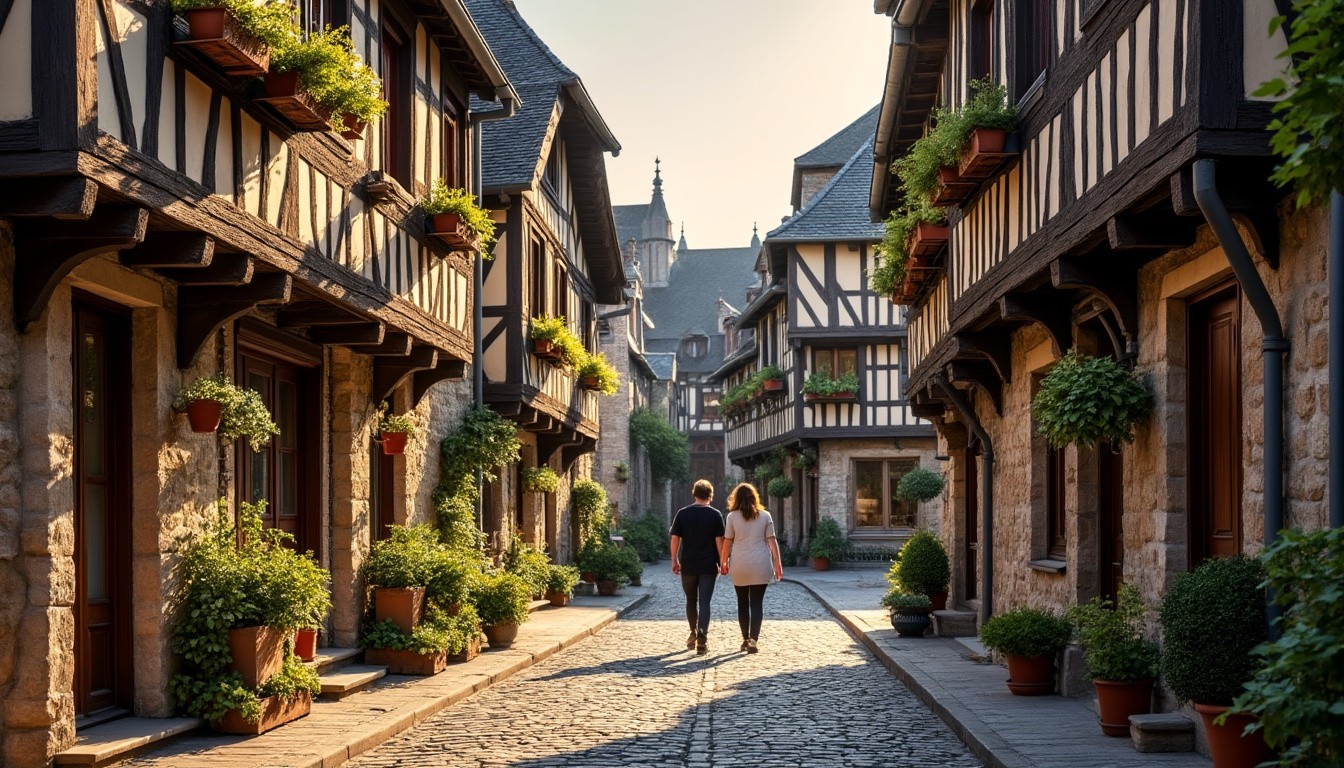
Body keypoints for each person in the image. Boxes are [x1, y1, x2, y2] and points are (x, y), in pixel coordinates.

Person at [719, 483, 784, 654]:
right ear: (755, 497)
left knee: (742, 603)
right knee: (756, 603)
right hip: (761, 564)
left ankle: (745, 639)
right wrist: (778, 563)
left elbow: (727, 541)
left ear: (736, 499)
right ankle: (753, 639)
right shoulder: (765, 516)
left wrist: (723, 562)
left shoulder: (732, 517)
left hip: (739, 564)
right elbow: (772, 540)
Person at [669, 479, 725, 655]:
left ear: (694, 494)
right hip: (708, 565)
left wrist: (674, 560)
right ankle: (702, 638)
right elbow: (719, 541)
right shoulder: (715, 515)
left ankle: (693, 632)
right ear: (710, 495)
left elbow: (675, 539)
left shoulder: (682, 513)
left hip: (689, 565)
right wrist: (723, 562)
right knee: (705, 602)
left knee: (691, 600)